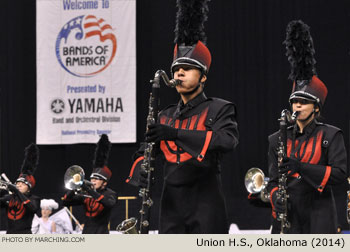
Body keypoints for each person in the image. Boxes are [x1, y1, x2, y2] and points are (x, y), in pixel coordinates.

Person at [126, 0, 239, 234]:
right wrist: (141, 170)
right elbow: (144, 151)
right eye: (177, 67)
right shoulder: (164, 115)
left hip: (206, 204)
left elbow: (227, 141)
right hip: (170, 206)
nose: (179, 72)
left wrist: (175, 134)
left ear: (203, 77)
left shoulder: (220, 108)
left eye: (187, 68)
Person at [266, 20, 347, 234]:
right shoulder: (277, 139)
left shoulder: (331, 134)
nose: (297, 105)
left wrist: (301, 167)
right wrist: (276, 198)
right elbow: (273, 181)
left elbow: (339, 175)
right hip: (289, 216)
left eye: (304, 102)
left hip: (320, 216)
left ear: (316, 108)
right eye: (294, 101)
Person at [62, 134, 117, 234]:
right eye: (92, 179)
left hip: (102, 234)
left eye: (97, 179)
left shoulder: (110, 193)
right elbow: (66, 202)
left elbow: (109, 204)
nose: (93, 181)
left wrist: (89, 190)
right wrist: (75, 187)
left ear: (104, 182)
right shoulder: (85, 195)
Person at [0, 143, 40, 234]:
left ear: (29, 188)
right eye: (18, 183)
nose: (19, 185)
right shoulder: (9, 198)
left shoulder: (35, 199)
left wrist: (17, 192)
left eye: (23, 183)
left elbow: (32, 208)